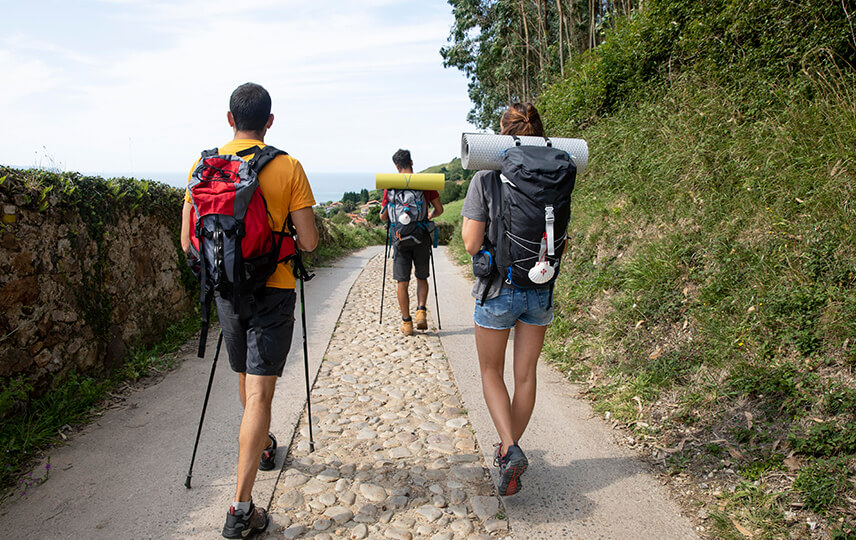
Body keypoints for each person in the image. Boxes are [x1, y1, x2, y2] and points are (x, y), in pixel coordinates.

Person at [180, 82, 318, 538]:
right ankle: (241, 510)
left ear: (229, 119)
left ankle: (260, 447)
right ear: (270, 121)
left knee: (245, 379)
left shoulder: (204, 166)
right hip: (273, 289)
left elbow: (188, 241)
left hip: (225, 293)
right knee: (261, 394)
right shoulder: (287, 166)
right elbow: (311, 240)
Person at [460, 102, 556, 496]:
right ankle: (508, 449)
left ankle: (509, 447)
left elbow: (469, 242)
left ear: (503, 135)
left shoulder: (486, 176)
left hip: (498, 289)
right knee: (526, 375)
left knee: (490, 373)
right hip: (540, 287)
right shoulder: (555, 174)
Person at [380, 149, 443, 335]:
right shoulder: (425, 184)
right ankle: (421, 311)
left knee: (402, 282)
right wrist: (428, 216)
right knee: (421, 277)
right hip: (421, 236)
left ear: (396, 166)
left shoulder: (390, 186)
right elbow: (439, 209)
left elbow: (384, 217)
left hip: (399, 239)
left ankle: (406, 323)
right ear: (412, 162)